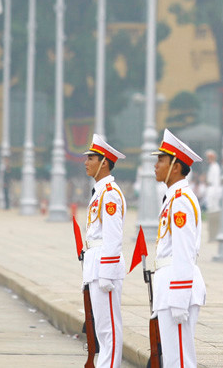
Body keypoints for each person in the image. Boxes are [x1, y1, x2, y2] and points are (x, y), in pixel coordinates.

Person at [152, 129, 206, 368]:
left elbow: (184, 251)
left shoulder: (181, 200)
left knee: (180, 360)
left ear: (175, 166)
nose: (156, 165)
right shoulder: (174, 198)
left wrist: (179, 297)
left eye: (161, 160)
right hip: (169, 283)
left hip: (177, 285)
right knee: (173, 358)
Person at [83, 134, 127, 368]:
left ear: (104, 163)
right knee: (101, 327)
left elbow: (113, 236)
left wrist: (107, 274)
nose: (86, 162)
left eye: (91, 158)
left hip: (104, 267)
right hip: (96, 264)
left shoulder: (110, 193)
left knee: (109, 328)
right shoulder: (100, 191)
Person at [203, 149, 223, 242]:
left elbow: (216, 182)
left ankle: (214, 235)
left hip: (214, 191)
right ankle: (212, 235)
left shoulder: (215, 167)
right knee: (210, 211)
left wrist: (215, 194)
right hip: (210, 190)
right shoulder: (212, 167)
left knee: (214, 211)